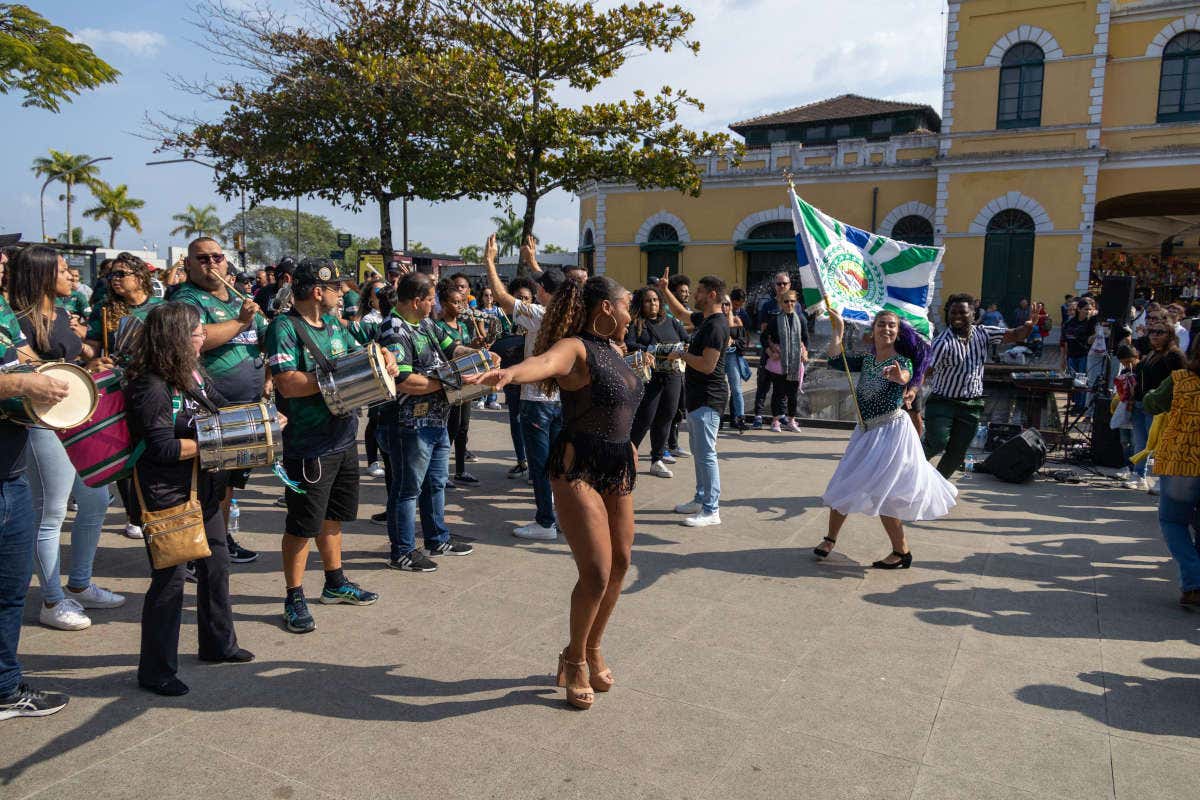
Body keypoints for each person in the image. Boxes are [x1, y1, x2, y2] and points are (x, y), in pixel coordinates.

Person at [471, 275, 643, 710]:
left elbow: (620, 408)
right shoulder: (576, 348)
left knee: (622, 562)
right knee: (598, 572)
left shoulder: (616, 350)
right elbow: (544, 363)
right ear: (606, 308)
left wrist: (632, 449)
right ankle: (575, 659)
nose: (631, 313)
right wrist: (510, 373)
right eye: (627, 306)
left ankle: (591, 646)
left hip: (617, 463)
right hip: (576, 467)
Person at [125, 303, 254, 696]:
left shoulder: (192, 373)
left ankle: (218, 644)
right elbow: (161, 447)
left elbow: (219, 410)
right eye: (197, 332)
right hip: (166, 494)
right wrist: (217, 441)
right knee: (169, 581)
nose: (203, 337)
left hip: (203, 487)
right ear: (176, 339)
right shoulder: (151, 385)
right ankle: (156, 670)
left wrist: (258, 419)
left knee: (217, 563)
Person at [264, 258, 388, 634]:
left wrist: (383, 357)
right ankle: (294, 595)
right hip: (309, 444)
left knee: (333, 518)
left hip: (343, 436)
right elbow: (287, 382)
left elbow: (362, 349)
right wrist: (337, 379)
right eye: (336, 288)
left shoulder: (334, 324)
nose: (341, 294)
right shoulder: (285, 327)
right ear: (318, 291)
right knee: (302, 526)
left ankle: (335, 582)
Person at [9, 246, 124, 631]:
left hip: (78, 417)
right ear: (42, 274)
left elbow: (66, 362)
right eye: (61, 269)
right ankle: (52, 600)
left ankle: (81, 582)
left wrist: (91, 362)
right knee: (52, 511)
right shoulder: (19, 320)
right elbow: (27, 371)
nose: (70, 275)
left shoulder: (59, 313)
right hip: (43, 423)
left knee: (94, 500)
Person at [815, 308, 956, 567]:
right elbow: (836, 360)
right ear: (874, 330)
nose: (887, 329)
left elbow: (905, 376)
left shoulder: (901, 361)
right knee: (844, 482)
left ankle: (901, 552)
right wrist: (839, 331)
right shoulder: (867, 361)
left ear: (897, 331)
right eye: (882, 324)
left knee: (888, 495)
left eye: (892, 325)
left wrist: (899, 378)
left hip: (891, 433)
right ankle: (830, 539)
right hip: (865, 432)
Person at [172, 237, 266, 564]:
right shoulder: (186, 298)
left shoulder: (234, 296)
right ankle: (200, 551)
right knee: (209, 484)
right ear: (189, 264)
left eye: (217, 257)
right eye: (202, 258)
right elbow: (195, 340)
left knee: (228, 484)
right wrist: (241, 321)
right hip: (211, 406)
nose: (211, 263)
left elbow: (262, 338)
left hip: (245, 405)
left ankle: (219, 542)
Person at [374, 272, 477, 572]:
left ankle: (437, 537)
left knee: (435, 483)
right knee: (407, 489)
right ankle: (403, 551)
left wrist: (479, 355)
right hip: (408, 424)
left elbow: (451, 348)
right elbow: (404, 381)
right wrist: (450, 382)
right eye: (431, 299)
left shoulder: (426, 323)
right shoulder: (393, 329)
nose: (434, 304)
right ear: (417, 300)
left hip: (436, 420)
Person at [0, 289, 71, 719]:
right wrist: (22, 382)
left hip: (10, 474)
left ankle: (5, 688)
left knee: (9, 594)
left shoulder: (2, 309)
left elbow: (23, 357)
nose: (3, 260)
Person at [484, 234, 567, 540]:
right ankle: (560, 515)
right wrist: (534, 263)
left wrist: (490, 261)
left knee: (541, 467)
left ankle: (545, 521)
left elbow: (504, 299)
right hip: (562, 399)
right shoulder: (573, 313)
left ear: (543, 292)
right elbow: (556, 286)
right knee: (558, 465)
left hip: (538, 399)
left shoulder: (540, 315)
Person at [923, 293, 1033, 479]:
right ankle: (905, 468)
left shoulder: (983, 333)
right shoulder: (942, 343)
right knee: (937, 443)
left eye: (962, 312)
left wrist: (1029, 326)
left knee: (957, 453)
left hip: (971, 405)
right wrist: (911, 390)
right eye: (953, 312)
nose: (957, 316)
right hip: (943, 402)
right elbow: (927, 370)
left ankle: (935, 486)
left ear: (973, 314)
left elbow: (1015, 335)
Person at [1141, 343, 1200, 605]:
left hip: (1183, 462)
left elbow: (1151, 403)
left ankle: (1194, 580)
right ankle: (1193, 586)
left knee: (1173, 522)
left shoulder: (1181, 380)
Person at [672, 275, 729, 527]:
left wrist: (682, 354)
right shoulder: (704, 320)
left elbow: (708, 366)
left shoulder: (716, 326)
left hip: (709, 397)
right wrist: (664, 290)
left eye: (700, 291)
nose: (695, 295)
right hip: (697, 398)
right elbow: (682, 314)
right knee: (699, 452)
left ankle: (711, 510)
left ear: (712, 295)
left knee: (707, 454)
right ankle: (700, 498)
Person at [626, 286, 687, 478]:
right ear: (640, 304)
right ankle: (628, 458)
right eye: (647, 301)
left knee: (667, 416)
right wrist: (654, 350)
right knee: (644, 418)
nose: (652, 304)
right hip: (649, 378)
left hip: (672, 376)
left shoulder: (672, 322)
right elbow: (629, 344)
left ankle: (657, 460)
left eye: (655, 300)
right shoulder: (637, 323)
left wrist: (683, 348)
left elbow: (687, 339)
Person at [435, 279, 482, 485]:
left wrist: (477, 344)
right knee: (451, 427)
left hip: (467, 380)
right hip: (450, 382)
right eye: (455, 302)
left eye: (462, 302)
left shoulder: (463, 325)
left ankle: (461, 470)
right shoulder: (438, 327)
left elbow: (466, 348)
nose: (460, 306)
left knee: (464, 426)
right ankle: (442, 472)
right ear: (444, 304)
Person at [1130, 323, 1187, 490]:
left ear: (1169, 335)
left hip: (1159, 407)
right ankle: (1139, 475)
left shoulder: (1174, 355)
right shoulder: (1151, 353)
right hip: (1141, 403)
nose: (1154, 335)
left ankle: (1163, 480)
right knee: (1140, 443)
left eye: (1160, 332)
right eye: (1151, 332)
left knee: (1160, 445)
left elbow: (1179, 382)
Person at [84, 252, 162, 360]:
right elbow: (92, 348)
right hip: (117, 373)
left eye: (121, 274)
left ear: (140, 277)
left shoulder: (162, 308)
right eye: (111, 275)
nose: (114, 278)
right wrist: (80, 346)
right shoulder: (103, 308)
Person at [501, 277, 538, 480]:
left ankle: (534, 467)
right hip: (513, 378)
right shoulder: (505, 320)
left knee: (531, 424)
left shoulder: (537, 319)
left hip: (534, 381)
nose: (523, 301)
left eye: (527, 298)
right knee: (515, 420)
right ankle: (521, 461)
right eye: (519, 298)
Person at [761, 290, 809, 433]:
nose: (789, 304)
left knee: (793, 394)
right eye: (786, 301)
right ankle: (775, 421)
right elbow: (764, 338)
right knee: (778, 392)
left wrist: (805, 352)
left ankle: (791, 420)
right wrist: (770, 352)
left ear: (796, 302)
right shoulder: (775, 319)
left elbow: (806, 339)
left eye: (792, 301)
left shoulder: (801, 319)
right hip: (779, 362)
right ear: (781, 303)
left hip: (795, 361)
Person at [752, 272, 794, 429]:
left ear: (790, 285)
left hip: (787, 355)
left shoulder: (793, 305)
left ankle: (781, 415)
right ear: (774, 286)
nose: (782, 286)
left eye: (785, 283)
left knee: (782, 387)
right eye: (779, 284)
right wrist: (771, 351)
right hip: (769, 353)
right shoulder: (768, 306)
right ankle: (758, 416)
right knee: (763, 384)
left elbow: (799, 331)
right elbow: (764, 331)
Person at [1060, 297, 1098, 412]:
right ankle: (1076, 403)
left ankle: (1081, 406)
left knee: (1082, 380)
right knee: (1073, 380)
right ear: (1079, 309)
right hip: (1072, 355)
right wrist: (1064, 357)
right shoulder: (1070, 322)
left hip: (1084, 355)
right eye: (1086, 309)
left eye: (1090, 309)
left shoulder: (1091, 324)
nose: (1088, 312)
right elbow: (1065, 340)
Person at [477, 286, 508, 410]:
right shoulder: (480, 311)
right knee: (483, 370)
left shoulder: (499, 311)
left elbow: (502, 326)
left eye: (491, 295)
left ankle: (493, 399)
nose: (489, 297)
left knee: (495, 371)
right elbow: (480, 327)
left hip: (497, 342)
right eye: (486, 295)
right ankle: (481, 398)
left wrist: (494, 340)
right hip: (485, 343)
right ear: (482, 297)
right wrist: (486, 340)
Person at [724, 293, 750, 431]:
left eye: (727, 304)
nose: (725, 307)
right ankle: (719, 418)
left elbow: (743, 342)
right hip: (717, 357)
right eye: (722, 303)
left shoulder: (737, 320)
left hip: (732, 356)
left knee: (737, 389)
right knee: (719, 388)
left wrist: (732, 341)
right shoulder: (715, 320)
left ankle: (740, 418)